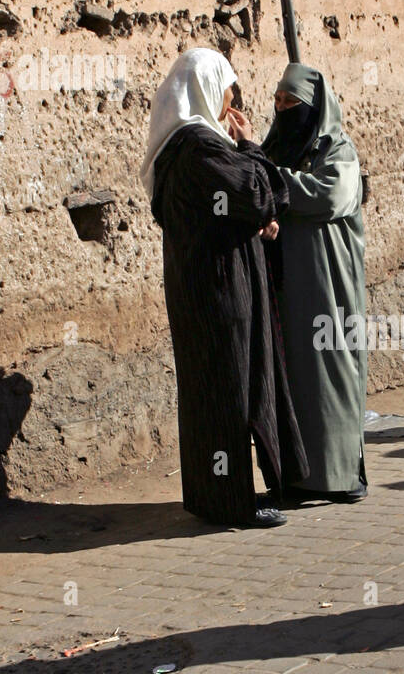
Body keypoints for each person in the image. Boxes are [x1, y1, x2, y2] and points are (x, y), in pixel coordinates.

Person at [140, 48, 309, 528]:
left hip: (203, 287)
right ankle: (230, 501)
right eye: (228, 101)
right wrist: (252, 147)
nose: (232, 115)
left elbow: (238, 207)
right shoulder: (198, 147)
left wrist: (254, 221)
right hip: (219, 293)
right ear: (206, 93)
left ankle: (216, 495)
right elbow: (263, 192)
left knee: (212, 393)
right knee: (229, 392)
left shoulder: (180, 150)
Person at [242, 62, 367, 503]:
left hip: (326, 286)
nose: (282, 109)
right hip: (282, 287)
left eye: (291, 103)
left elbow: (328, 194)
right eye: (277, 101)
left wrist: (272, 181)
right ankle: (294, 478)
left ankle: (338, 477)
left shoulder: (338, 150)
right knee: (290, 375)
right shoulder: (275, 149)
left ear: (313, 109)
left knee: (330, 373)